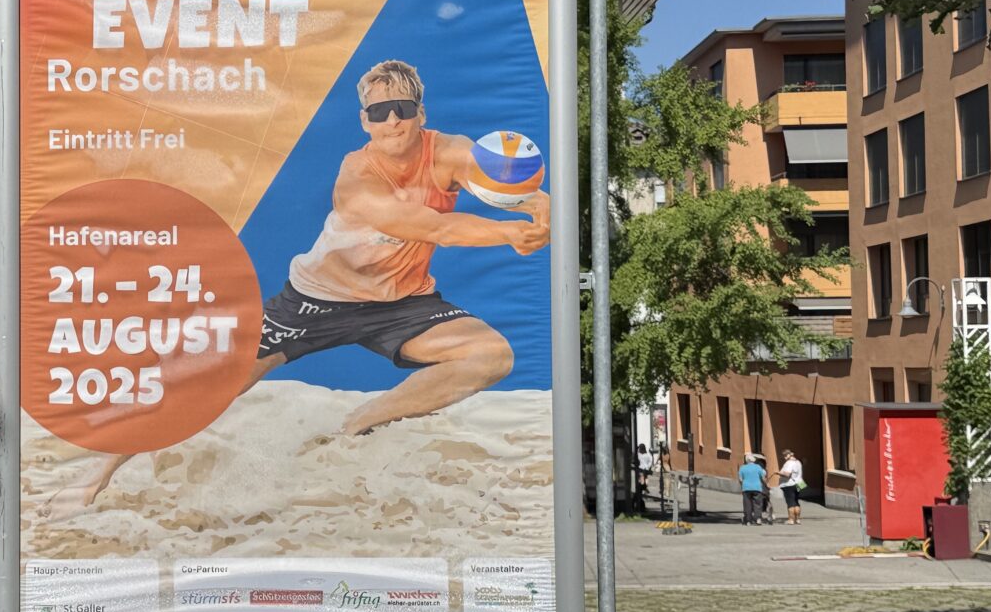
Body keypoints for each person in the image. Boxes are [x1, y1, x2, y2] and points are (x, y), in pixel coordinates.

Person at [43, 58, 550, 519]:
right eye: (380, 112)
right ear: (365, 121)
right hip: (316, 301)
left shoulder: (450, 152)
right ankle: (95, 476)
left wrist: (536, 205)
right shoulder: (357, 178)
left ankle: (356, 423)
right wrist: (509, 233)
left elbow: (506, 182)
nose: (393, 121)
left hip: (403, 302)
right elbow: (432, 228)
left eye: (402, 108)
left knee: (490, 356)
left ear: (421, 113)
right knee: (208, 382)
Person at [738, 452, 767, 526]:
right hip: (757, 488)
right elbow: (763, 478)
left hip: (746, 488)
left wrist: (743, 485)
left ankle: (748, 521)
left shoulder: (742, 468)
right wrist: (766, 484)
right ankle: (758, 519)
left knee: (747, 504)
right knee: (758, 504)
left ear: (746, 460)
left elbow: (740, 479)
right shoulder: (758, 467)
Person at [777, 448, 804, 525]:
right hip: (799, 483)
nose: (784, 457)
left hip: (789, 484)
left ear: (789, 455)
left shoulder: (789, 463)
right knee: (796, 501)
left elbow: (787, 474)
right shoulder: (798, 462)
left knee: (790, 502)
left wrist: (778, 473)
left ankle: (791, 520)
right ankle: (798, 519)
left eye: (785, 455)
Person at [635, 443, 654, 510]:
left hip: (641, 468)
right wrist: (648, 467)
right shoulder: (647, 454)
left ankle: (643, 486)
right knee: (645, 477)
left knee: (642, 477)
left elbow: (636, 459)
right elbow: (651, 461)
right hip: (645, 469)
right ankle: (644, 487)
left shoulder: (639, 454)